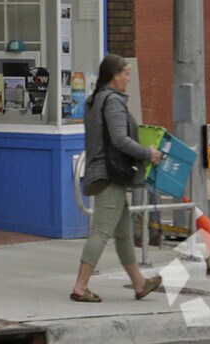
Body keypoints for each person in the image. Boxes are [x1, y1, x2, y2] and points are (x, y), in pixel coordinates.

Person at [71, 54, 163, 301]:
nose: (128, 80)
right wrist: (148, 153)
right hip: (109, 175)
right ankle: (80, 287)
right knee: (101, 232)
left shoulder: (95, 100)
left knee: (123, 234)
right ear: (114, 76)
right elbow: (120, 140)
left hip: (104, 173)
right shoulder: (111, 102)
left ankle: (139, 284)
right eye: (126, 75)